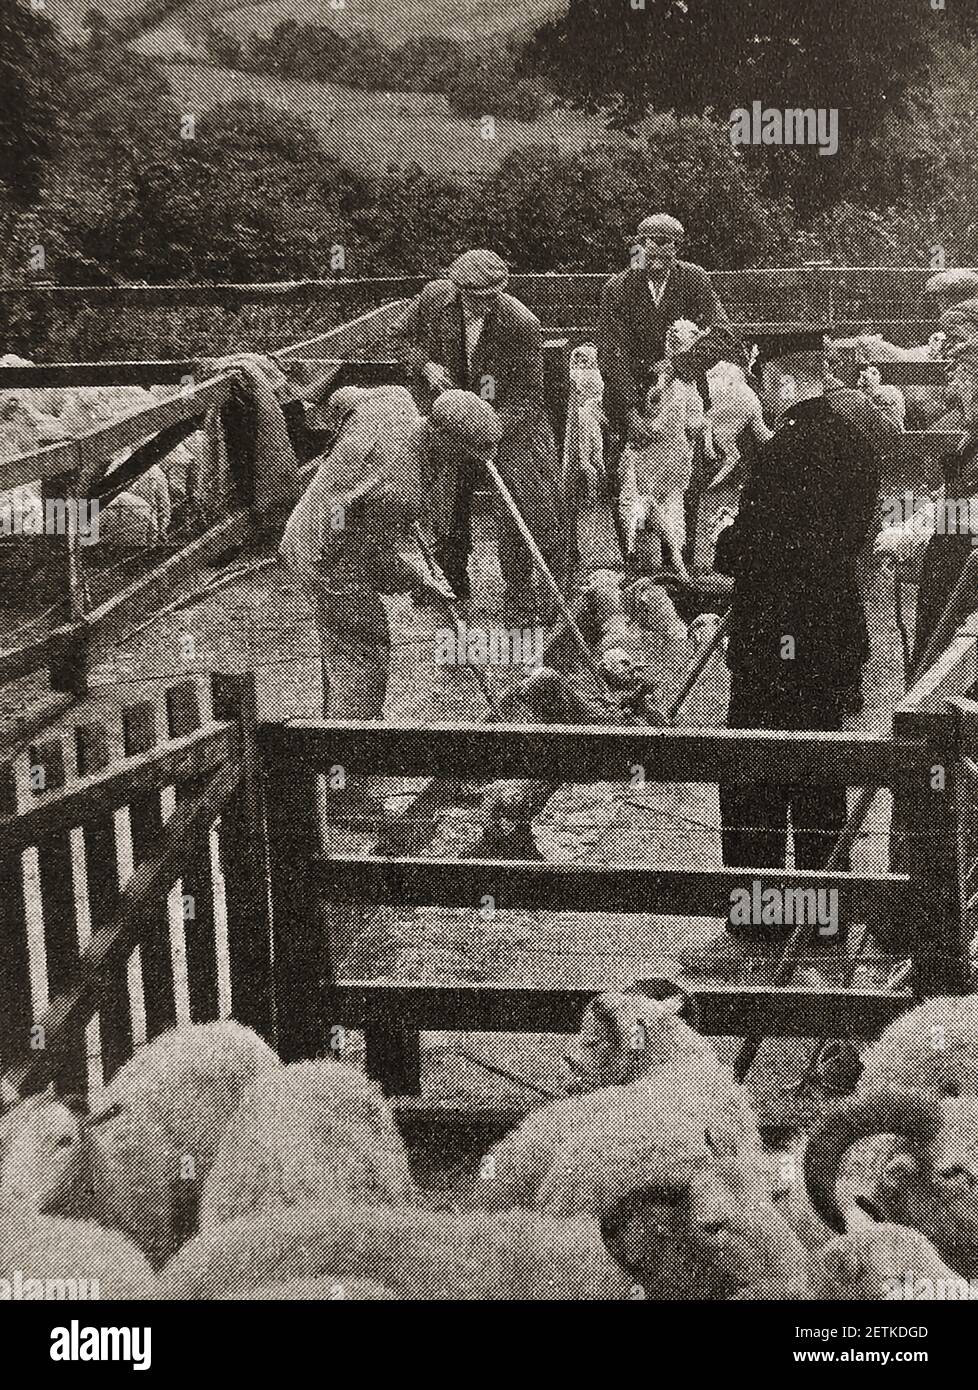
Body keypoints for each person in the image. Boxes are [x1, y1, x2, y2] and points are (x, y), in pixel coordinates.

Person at [713, 338, 888, 942]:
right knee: (820, 777)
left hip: (773, 638)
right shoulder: (860, 446)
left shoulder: (780, 454)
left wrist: (726, 535)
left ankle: (761, 923)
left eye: (764, 380)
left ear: (783, 380)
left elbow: (744, 551)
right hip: (834, 634)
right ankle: (822, 919)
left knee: (757, 778)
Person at [280, 386, 502, 719]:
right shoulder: (401, 493)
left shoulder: (396, 401)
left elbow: (343, 397)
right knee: (364, 648)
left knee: (341, 651)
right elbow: (375, 564)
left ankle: (335, 732)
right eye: (465, 459)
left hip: (317, 527)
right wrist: (421, 582)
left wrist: (357, 468)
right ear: (443, 442)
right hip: (325, 557)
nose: (466, 469)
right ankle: (353, 748)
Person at [392, 248, 565, 616]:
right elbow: (401, 338)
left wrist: (489, 427)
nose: (483, 305)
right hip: (452, 421)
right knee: (443, 496)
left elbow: (530, 396)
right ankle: (450, 580)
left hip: (511, 426)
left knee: (524, 506)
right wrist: (425, 366)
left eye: (492, 297)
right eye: (475, 298)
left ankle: (520, 591)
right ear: (458, 290)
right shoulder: (434, 298)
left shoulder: (521, 323)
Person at [597, 214, 731, 447]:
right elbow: (611, 354)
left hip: (685, 397)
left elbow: (722, 335)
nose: (656, 261)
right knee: (627, 474)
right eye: (650, 252)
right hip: (632, 400)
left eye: (666, 251)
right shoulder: (618, 288)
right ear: (638, 249)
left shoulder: (694, 279)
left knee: (689, 474)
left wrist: (676, 365)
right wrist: (631, 415)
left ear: (677, 249)